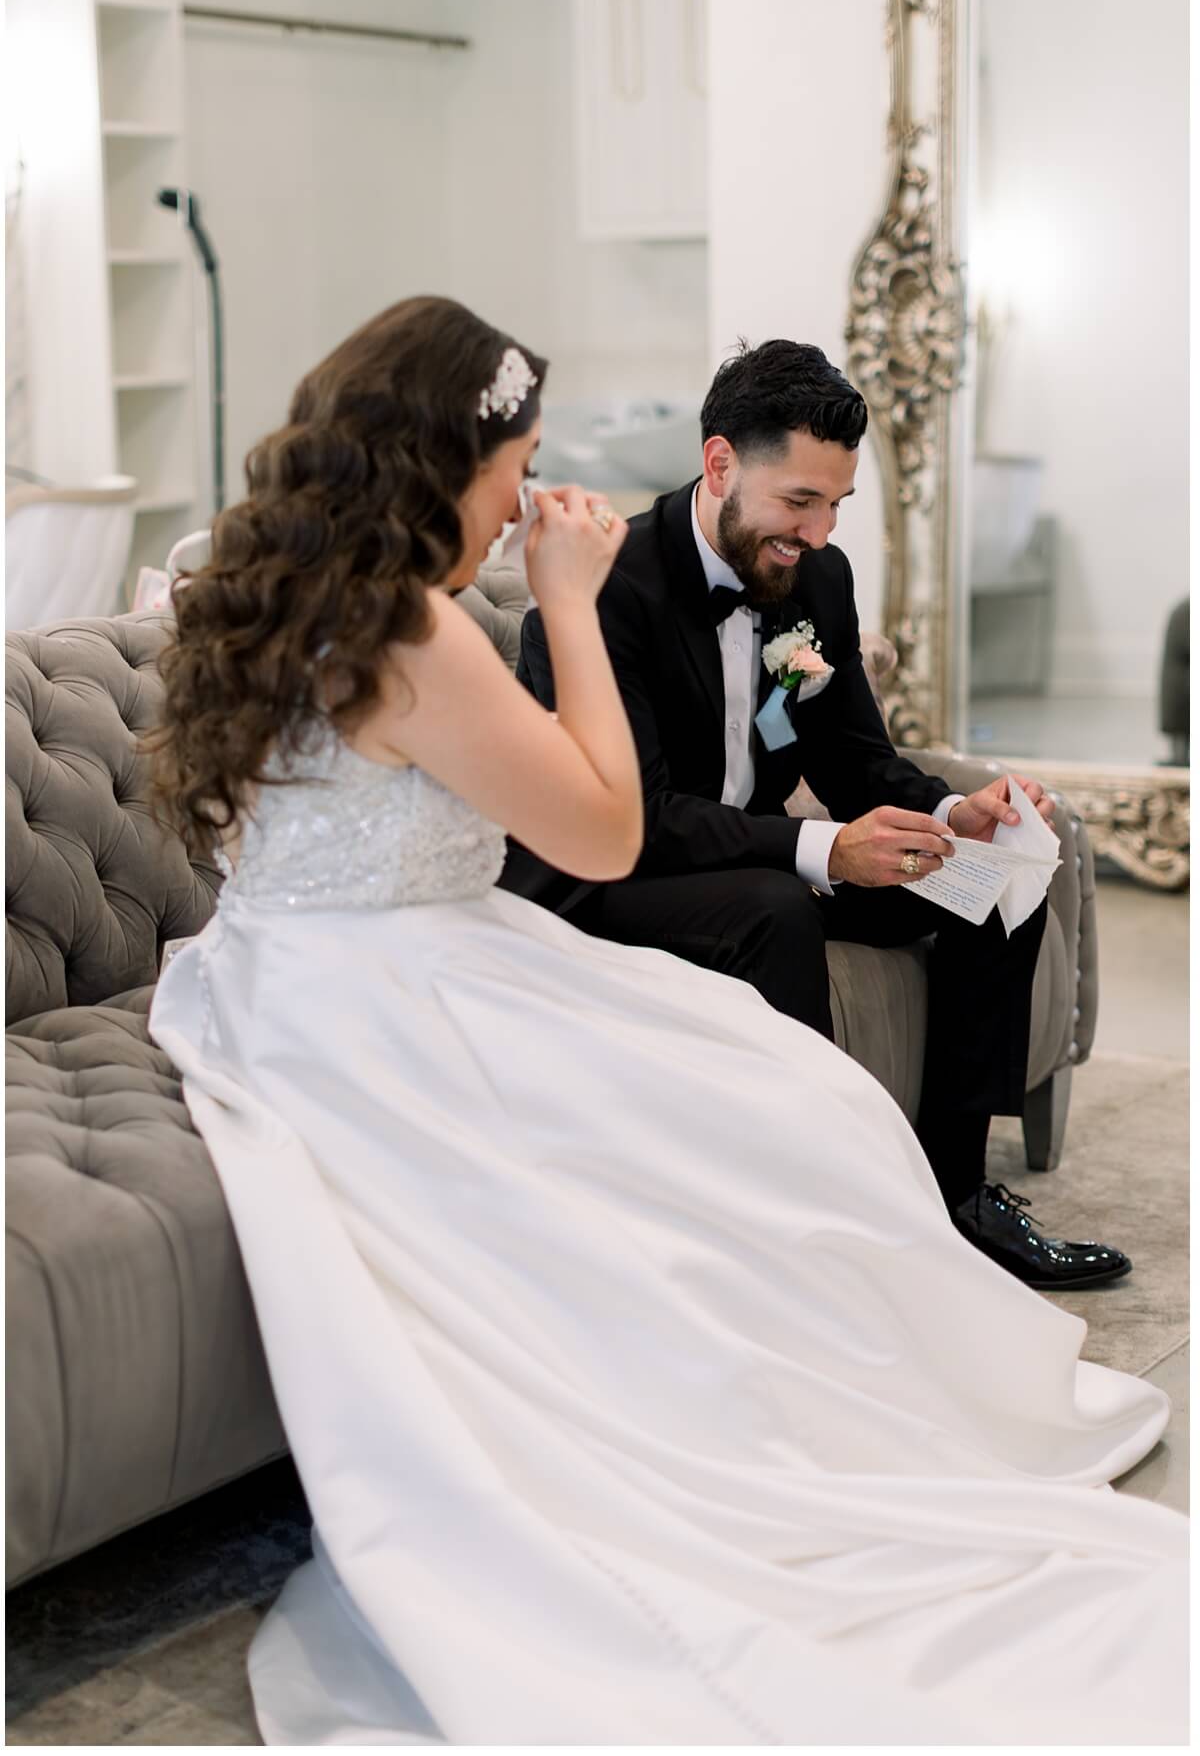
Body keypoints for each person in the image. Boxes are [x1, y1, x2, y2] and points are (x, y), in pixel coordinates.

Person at [144, 297, 1185, 1742]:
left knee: (786, 1073)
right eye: (514, 461)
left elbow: (840, 743)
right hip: (397, 991)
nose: (526, 496)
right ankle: (806, 1403)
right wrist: (565, 598)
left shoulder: (286, 591)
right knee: (775, 1096)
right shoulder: (419, 626)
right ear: (446, 458)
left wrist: (939, 810)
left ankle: (952, 1204)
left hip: (292, 972)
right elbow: (609, 830)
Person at [506, 339, 1127, 1289]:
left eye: (837, 504)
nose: (821, 531)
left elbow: (852, 756)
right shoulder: (605, 587)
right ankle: (813, 1209)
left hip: (762, 853)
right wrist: (831, 849)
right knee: (776, 908)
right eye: (800, 500)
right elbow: (639, 816)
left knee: (995, 874)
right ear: (720, 465)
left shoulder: (815, 581)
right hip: (616, 879)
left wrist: (959, 811)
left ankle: (956, 1193)